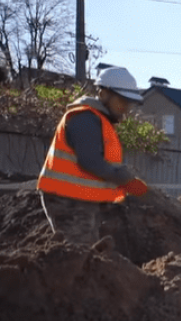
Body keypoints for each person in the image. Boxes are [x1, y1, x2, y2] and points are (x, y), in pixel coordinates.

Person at [37, 66, 151, 247]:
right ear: (104, 94)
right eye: (122, 101)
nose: (126, 109)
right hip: (67, 200)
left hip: (77, 198)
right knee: (79, 253)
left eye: (129, 103)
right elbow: (90, 162)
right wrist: (126, 179)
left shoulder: (97, 119)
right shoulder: (84, 118)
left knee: (88, 252)